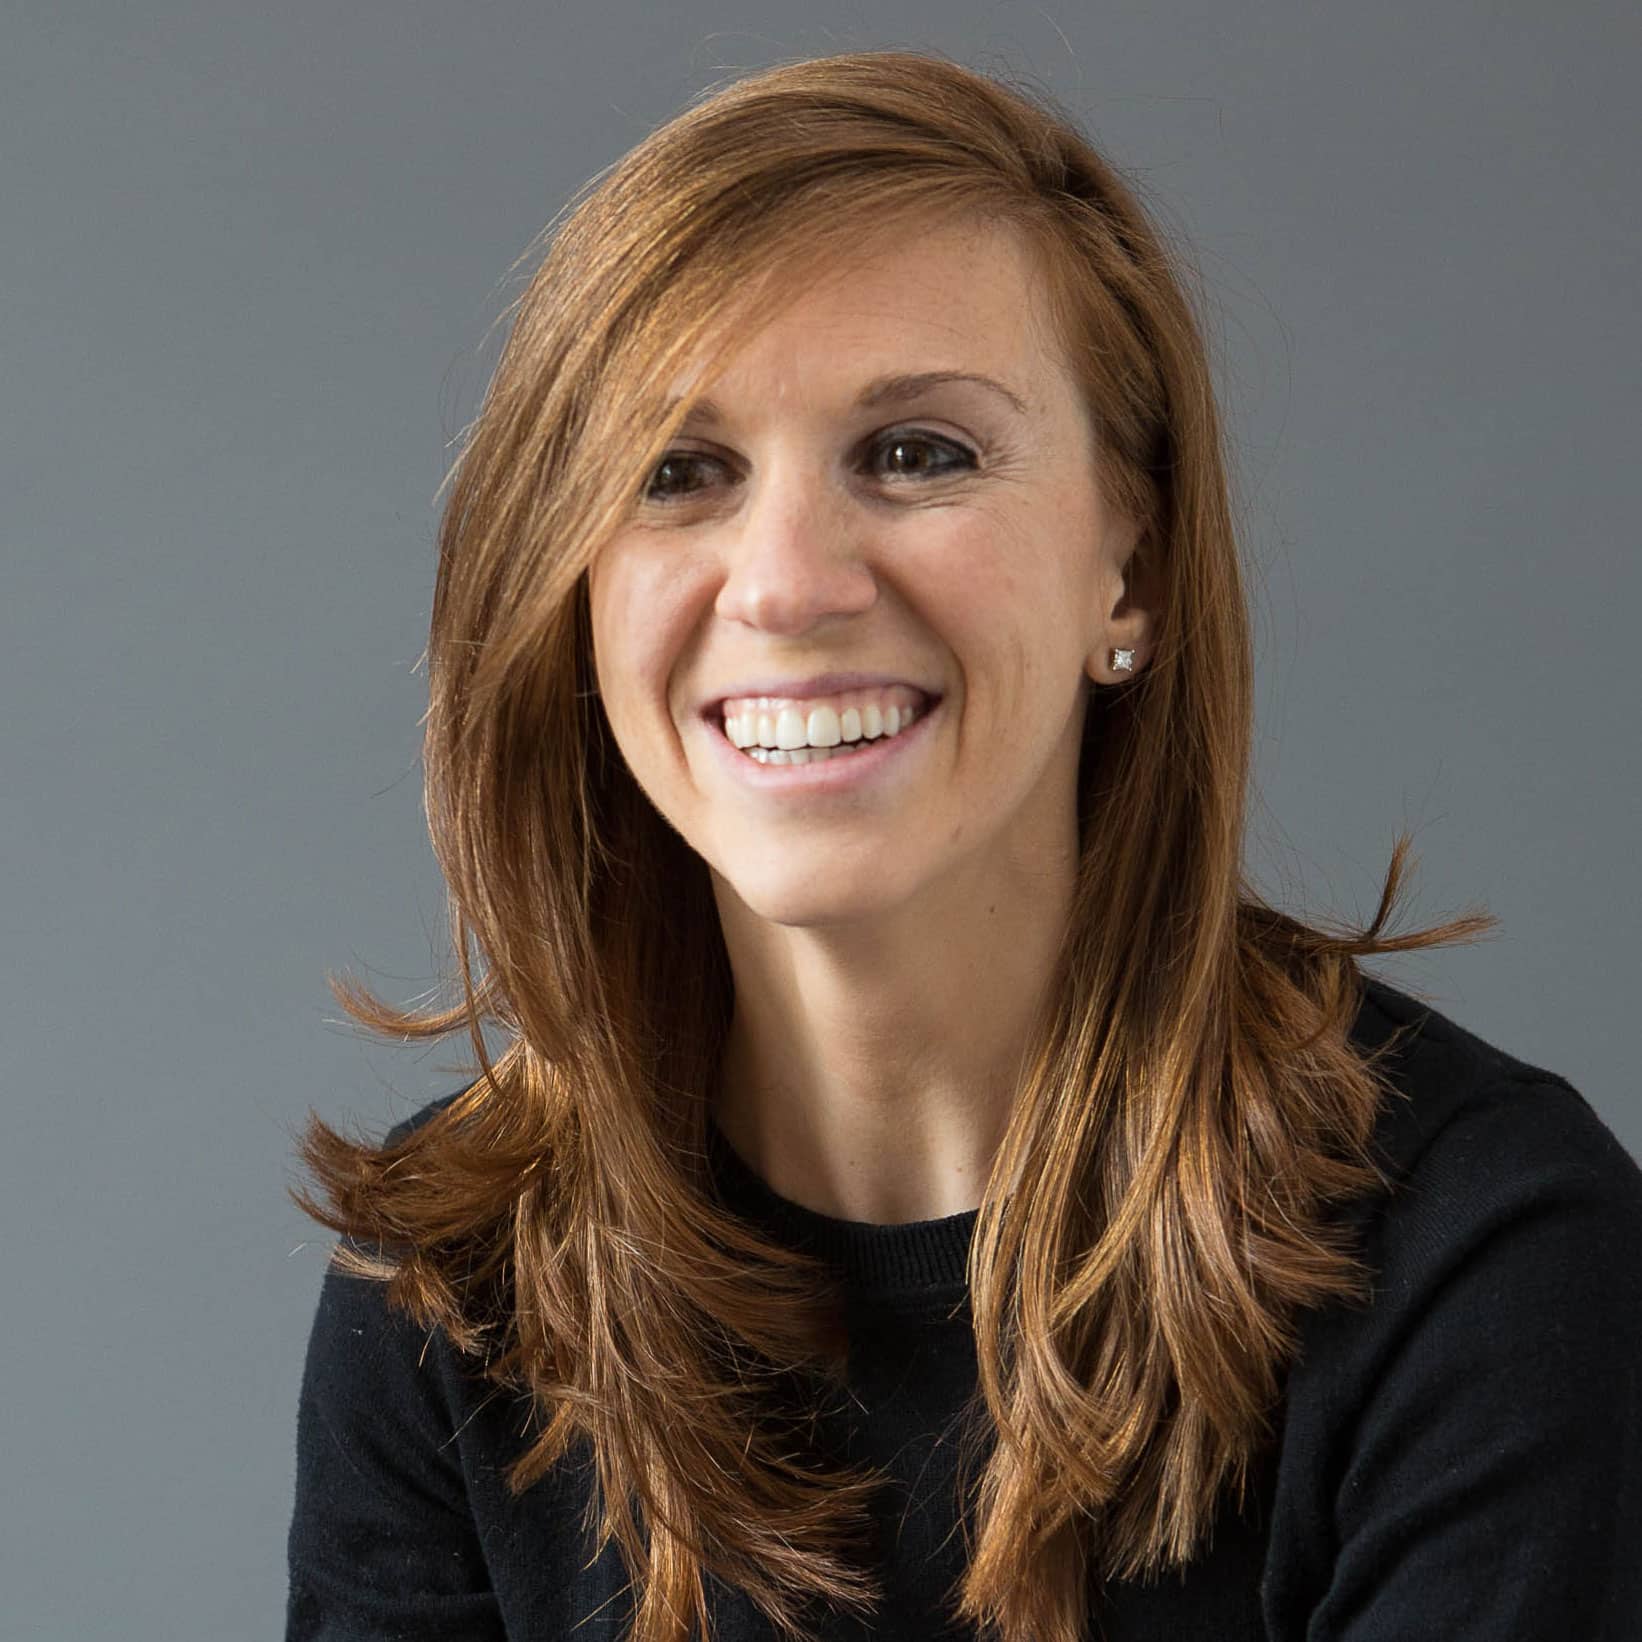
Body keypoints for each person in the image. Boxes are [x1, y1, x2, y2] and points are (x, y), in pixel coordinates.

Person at [284, 48, 1642, 1642]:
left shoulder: (1480, 1257)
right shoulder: (454, 1296)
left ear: (1124, 570)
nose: (785, 583)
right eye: (677, 474)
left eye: (918, 451)